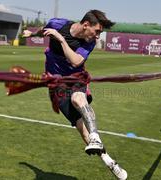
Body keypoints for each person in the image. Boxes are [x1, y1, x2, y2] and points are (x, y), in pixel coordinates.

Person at [23, 10, 127, 179]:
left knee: (78, 98)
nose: (98, 36)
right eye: (97, 31)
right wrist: (32, 32)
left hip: (76, 78)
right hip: (56, 84)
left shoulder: (89, 42)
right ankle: (109, 161)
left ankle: (95, 137)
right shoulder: (58, 23)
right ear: (86, 25)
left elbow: (76, 61)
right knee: (82, 130)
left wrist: (61, 39)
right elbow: (45, 30)